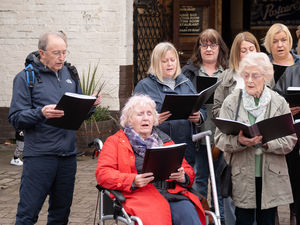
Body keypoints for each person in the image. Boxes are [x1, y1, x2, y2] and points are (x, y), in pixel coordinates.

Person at [8, 31, 101, 224]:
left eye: (64, 52)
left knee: (61, 214)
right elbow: (16, 118)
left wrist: (89, 106)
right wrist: (41, 112)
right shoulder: (25, 78)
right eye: (56, 53)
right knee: (28, 214)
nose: (62, 58)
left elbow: (76, 114)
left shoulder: (70, 74)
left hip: (67, 156)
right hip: (40, 156)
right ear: (42, 53)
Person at [95, 94, 206, 225]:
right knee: (157, 218)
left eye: (149, 114)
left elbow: (188, 170)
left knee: (189, 216)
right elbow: (103, 174)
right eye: (140, 114)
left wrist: (183, 177)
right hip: (140, 196)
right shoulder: (115, 141)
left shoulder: (165, 140)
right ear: (129, 119)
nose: (145, 118)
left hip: (172, 193)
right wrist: (132, 180)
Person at [214, 52, 297, 225]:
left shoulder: (278, 102)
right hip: (242, 176)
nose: (249, 80)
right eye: (246, 75)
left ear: (266, 77)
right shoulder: (231, 102)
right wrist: (239, 142)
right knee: (243, 220)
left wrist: (267, 142)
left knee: (267, 221)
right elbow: (219, 139)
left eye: (255, 76)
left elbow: (290, 140)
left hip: (271, 176)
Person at [212, 31, 261, 225]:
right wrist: (231, 118)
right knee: (234, 196)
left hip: (259, 145)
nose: (248, 53)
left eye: (252, 49)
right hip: (234, 144)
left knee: (260, 197)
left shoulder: (266, 74)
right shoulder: (226, 77)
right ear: (236, 54)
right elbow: (216, 109)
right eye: (243, 50)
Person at [181, 28, 229, 224]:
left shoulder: (227, 72)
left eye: (213, 44)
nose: (208, 49)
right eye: (204, 44)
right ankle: (201, 217)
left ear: (220, 48)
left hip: (221, 136)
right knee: (199, 178)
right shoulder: (189, 72)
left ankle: (222, 219)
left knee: (220, 180)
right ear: (199, 48)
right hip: (198, 135)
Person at [134, 42, 206, 167]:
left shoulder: (186, 82)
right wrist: (152, 120)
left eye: (173, 60)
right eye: (164, 61)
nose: (170, 64)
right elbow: (132, 118)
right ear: (156, 63)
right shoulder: (144, 86)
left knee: (186, 182)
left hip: (185, 146)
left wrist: (199, 116)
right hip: (158, 146)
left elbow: (201, 107)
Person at [264, 23, 300, 225]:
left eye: (284, 40)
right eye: (275, 41)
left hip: (297, 128)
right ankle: (275, 215)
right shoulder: (263, 65)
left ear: (290, 41)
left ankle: (294, 212)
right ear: (269, 44)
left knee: (295, 173)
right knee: (274, 174)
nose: (280, 45)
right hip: (274, 127)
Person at [274, 63, 300, 225]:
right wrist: (286, 108)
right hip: (295, 135)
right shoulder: (292, 71)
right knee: (296, 180)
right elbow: (276, 96)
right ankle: (294, 212)